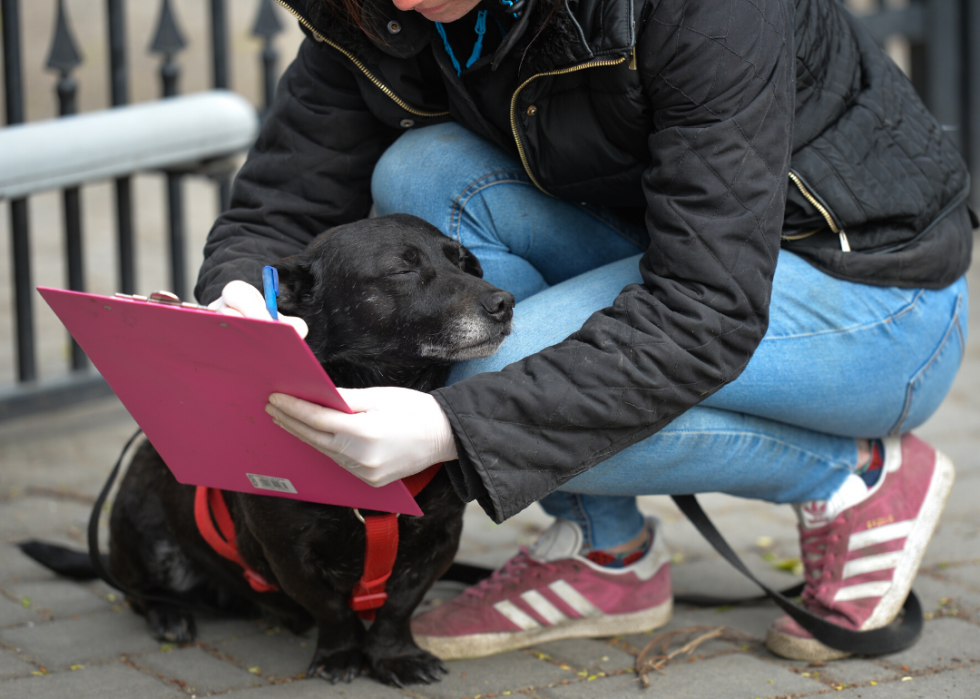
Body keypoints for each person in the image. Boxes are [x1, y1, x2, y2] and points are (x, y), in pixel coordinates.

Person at [195, 0, 973, 662]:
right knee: (424, 173)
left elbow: (706, 309)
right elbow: (284, 202)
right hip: (676, 248)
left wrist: (455, 429)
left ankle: (855, 478)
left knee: (478, 382)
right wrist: (245, 293)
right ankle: (605, 550)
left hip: (872, 291)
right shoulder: (377, 7)